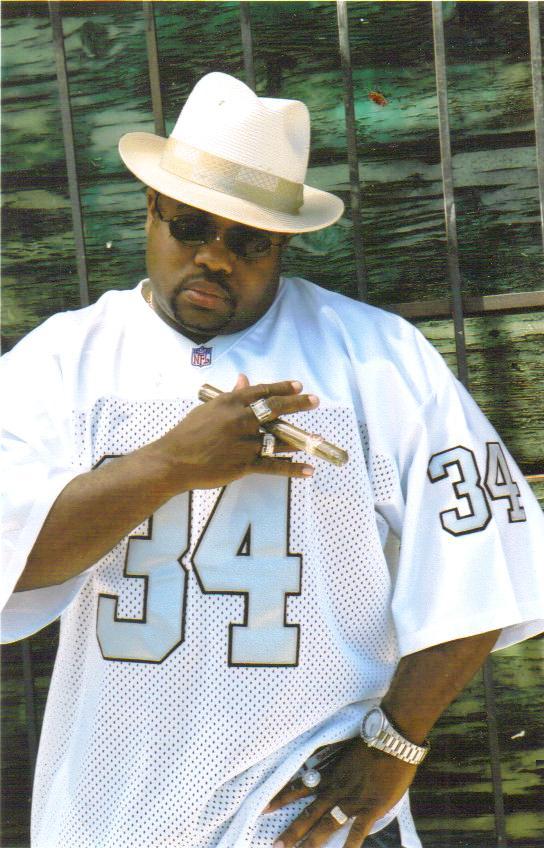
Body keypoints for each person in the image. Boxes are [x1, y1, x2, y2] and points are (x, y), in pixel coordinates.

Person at [1, 72, 543, 848]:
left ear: (283, 241)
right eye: (192, 225)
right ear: (151, 209)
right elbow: (15, 560)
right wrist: (170, 465)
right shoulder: (62, 364)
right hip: (115, 809)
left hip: (301, 812)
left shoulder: (376, 358)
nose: (215, 257)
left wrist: (397, 742)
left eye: (248, 239)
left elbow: (489, 561)